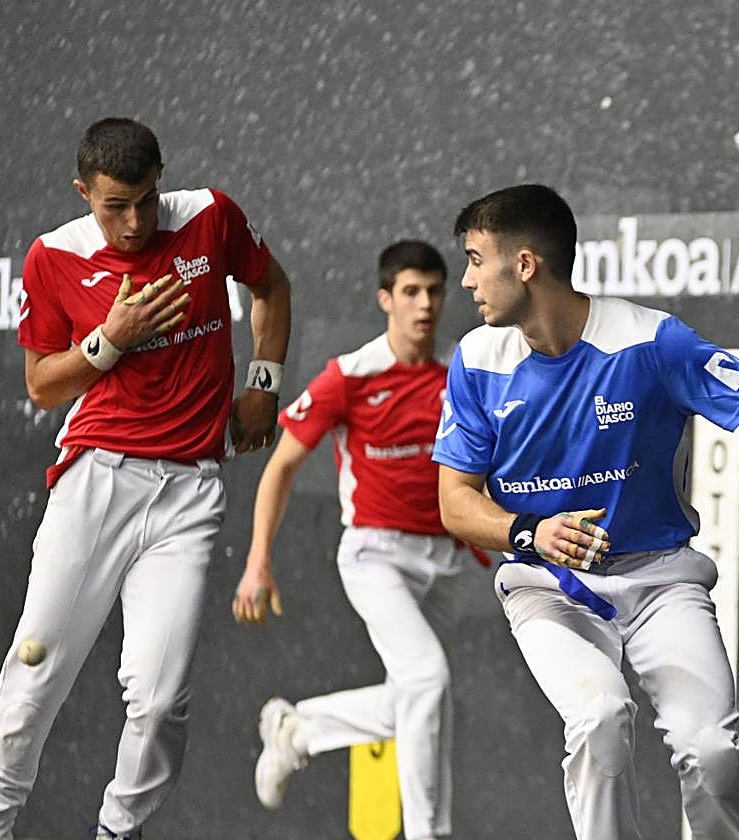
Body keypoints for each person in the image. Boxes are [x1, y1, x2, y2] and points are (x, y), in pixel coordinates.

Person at [432, 184, 739, 840]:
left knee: (714, 753)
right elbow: (455, 501)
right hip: (548, 588)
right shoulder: (476, 362)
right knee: (600, 719)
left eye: (476, 259)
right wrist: (530, 532)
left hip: (661, 580)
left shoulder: (650, 342)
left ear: (524, 264)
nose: (466, 280)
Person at [0, 117, 292, 840]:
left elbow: (271, 287)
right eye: (114, 205)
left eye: (145, 199)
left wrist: (262, 381)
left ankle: (118, 831)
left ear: (160, 180)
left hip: (191, 492)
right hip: (97, 483)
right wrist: (110, 341)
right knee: (32, 676)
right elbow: (43, 385)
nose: (134, 222)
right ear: (84, 193)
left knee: (162, 699)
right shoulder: (54, 258)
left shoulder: (209, 218)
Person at [231, 240, 476, 840]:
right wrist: (258, 560)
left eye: (435, 291)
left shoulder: (463, 374)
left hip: (443, 562)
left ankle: (301, 730)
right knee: (428, 683)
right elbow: (282, 466)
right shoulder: (351, 376)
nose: (425, 305)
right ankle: (428, 833)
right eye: (411, 292)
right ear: (385, 299)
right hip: (375, 556)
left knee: (418, 701)